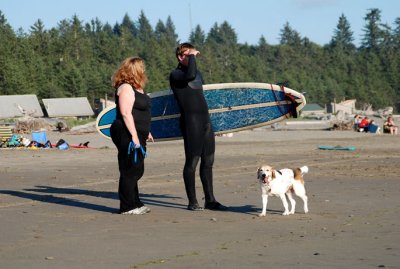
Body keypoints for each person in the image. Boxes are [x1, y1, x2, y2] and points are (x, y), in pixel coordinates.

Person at [169, 43, 226, 211]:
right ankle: (192, 201)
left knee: (208, 161)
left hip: (205, 121)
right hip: (190, 122)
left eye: (193, 55)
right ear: (180, 57)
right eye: (188, 55)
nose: (193, 57)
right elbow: (190, 74)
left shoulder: (197, 74)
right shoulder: (176, 74)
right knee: (192, 161)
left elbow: (199, 87)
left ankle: (210, 200)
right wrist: (192, 56)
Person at [110, 57, 153, 215]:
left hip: (138, 132)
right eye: (142, 68)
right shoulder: (126, 87)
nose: (144, 71)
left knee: (137, 168)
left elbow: (140, 112)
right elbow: (126, 113)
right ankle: (127, 206)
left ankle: (135, 202)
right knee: (130, 168)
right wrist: (134, 136)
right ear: (134, 70)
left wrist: (146, 131)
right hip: (125, 131)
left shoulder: (138, 88)